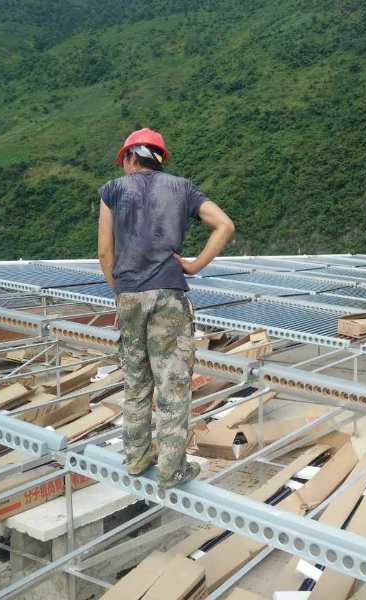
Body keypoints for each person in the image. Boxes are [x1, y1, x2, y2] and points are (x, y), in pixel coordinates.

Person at [97, 127, 235, 488]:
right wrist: (194, 265)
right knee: (171, 384)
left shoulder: (112, 191)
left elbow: (104, 252)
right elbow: (224, 225)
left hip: (129, 295)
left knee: (136, 381)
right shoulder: (182, 189)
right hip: (169, 296)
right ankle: (172, 470)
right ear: (159, 160)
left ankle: (136, 459)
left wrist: (121, 292)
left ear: (130, 157)